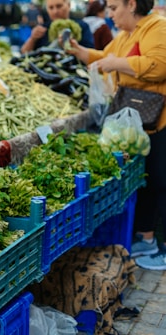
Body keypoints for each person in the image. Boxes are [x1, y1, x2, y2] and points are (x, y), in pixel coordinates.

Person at [66, 0, 166, 270]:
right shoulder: (125, 36)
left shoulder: (157, 27)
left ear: (131, 4)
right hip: (139, 119)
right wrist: (81, 52)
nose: (109, 14)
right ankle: (145, 238)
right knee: (147, 181)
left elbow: (159, 65)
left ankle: (157, 244)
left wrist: (117, 63)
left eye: (113, 7)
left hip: (160, 118)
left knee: (159, 181)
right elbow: (103, 59)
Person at [20, 0, 94, 54]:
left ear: (68, 5)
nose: (55, 11)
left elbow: (90, 53)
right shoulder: (42, 29)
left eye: (59, 6)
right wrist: (32, 39)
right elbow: (24, 53)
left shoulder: (81, 26)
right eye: (51, 8)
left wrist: (73, 46)